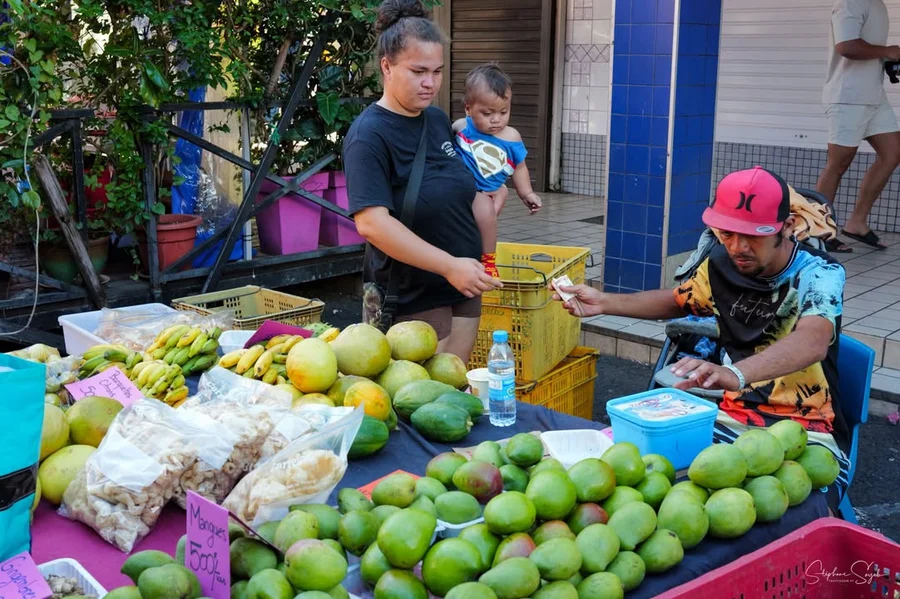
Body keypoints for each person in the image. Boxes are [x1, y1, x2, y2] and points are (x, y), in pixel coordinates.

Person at [554, 167, 852, 508]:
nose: (738, 247)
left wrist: (734, 374)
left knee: (773, 513)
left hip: (808, 431)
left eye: (752, 236)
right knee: (650, 489)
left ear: (785, 228)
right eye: (727, 233)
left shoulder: (820, 273)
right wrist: (605, 302)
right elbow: (677, 300)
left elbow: (813, 340)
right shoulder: (719, 265)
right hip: (729, 418)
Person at [343, 0, 500, 362]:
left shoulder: (437, 120)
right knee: (412, 403)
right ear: (387, 66)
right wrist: (448, 265)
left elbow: (454, 185)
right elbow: (372, 223)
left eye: (437, 71)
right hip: (411, 295)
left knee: (448, 391)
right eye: (418, 71)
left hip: (462, 283)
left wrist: (488, 195)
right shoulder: (369, 134)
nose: (430, 83)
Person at [816, 0, 900, 251]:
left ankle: (857, 223)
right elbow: (846, 46)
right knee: (838, 163)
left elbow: (865, 47)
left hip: (873, 96)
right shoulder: (849, 3)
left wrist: (886, 61)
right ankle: (819, 231)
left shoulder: (878, 5)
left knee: (893, 152)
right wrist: (888, 51)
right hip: (847, 97)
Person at [452, 64, 543, 277]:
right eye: (487, 113)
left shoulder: (511, 137)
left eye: (504, 112)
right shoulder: (460, 127)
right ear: (468, 108)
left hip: (488, 193)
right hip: (464, 189)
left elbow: (519, 167)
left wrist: (527, 193)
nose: (496, 119)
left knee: (485, 216)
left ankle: (489, 259)